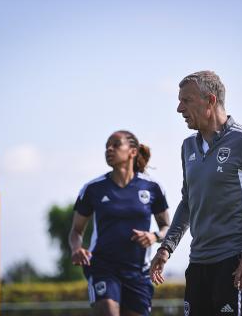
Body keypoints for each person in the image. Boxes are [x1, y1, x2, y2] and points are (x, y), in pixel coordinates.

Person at [150, 71, 242, 316]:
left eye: (186, 100)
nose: (179, 108)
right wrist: (166, 248)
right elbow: (188, 202)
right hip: (198, 263)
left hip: (234, 264)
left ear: (210, 100)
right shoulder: (188, 146)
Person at [69, 130, 170, 316]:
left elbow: (167, 227)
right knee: (108, 311)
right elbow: (76, 231)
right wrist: (76, 249)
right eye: (107, 145)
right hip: (102, 267)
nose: (109, 149)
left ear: (132, 151)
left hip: (138, 272)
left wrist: (154, 236)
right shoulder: (93, 188)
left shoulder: (152, 187)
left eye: (116, 144)